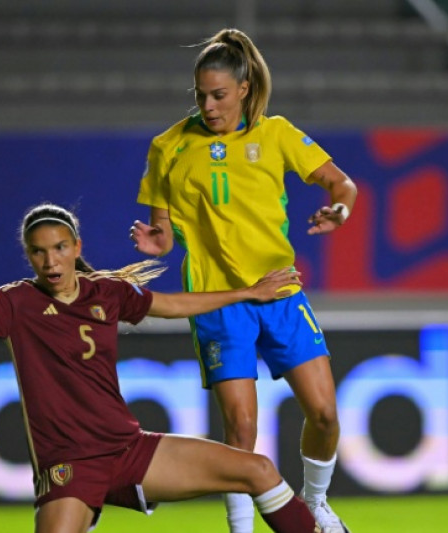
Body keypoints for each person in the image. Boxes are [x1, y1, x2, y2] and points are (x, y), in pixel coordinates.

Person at [0, 185, 320, 533]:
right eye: (39, 252)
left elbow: (173, 303)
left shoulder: (106, 292)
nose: (51, 261)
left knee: (259, 470)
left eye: (60, 248)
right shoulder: (16, 303)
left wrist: (248, 293)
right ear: (29, 256)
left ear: (77, 248)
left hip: (129, 451)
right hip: (69, 466)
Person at [130, 28, 358, 533]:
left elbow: (342, 183)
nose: (208, 106)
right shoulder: (167, 147)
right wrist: (157, 242)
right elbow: (164, 232)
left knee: (324, 413)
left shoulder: (276, 134)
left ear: (245, 89)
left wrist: (339, 209)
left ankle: (315, 504)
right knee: (243, 427)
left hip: (279, 291)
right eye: (201, 95)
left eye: (218, 95)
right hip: (218, 300)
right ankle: (241, 529)